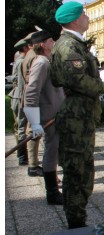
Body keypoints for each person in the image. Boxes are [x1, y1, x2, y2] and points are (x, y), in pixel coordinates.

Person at [50, 1, 104, 229]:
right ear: (74, 19)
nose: (87, 17)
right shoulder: (68, 46)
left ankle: (78, 219)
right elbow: (77, 79)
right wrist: (102, 86)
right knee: (77, 173)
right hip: (75, 118)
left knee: (83, 169)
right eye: (83, 14)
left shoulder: (74, 44)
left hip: (81, 116)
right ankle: (76, 224)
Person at [23, 30, 65, 205]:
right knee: (51, 152)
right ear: (43, 44)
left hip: (55, 115)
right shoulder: (41, 62)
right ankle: (52, 193)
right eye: (50, 40)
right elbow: (31, 92)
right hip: (49, 117)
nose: (53, 42)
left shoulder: (47, 61)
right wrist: (34, 122)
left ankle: (55, 190)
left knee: (54, 152)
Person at [21, 31, 44, 176]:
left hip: (33, 96)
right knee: (33, 132)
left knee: (32, 131)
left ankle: (33, 163)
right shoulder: (35, 57)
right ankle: (33, 165)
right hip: (37, 98)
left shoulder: (29, 55)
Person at [8, 38, 30, 166]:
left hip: (17, 96)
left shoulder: (19, 61)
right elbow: (22, 84)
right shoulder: (22, 62)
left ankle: (20, 153)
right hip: (21, 97)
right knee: (22, 127)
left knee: (20, 126)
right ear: (25, 48)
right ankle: (23, 157)